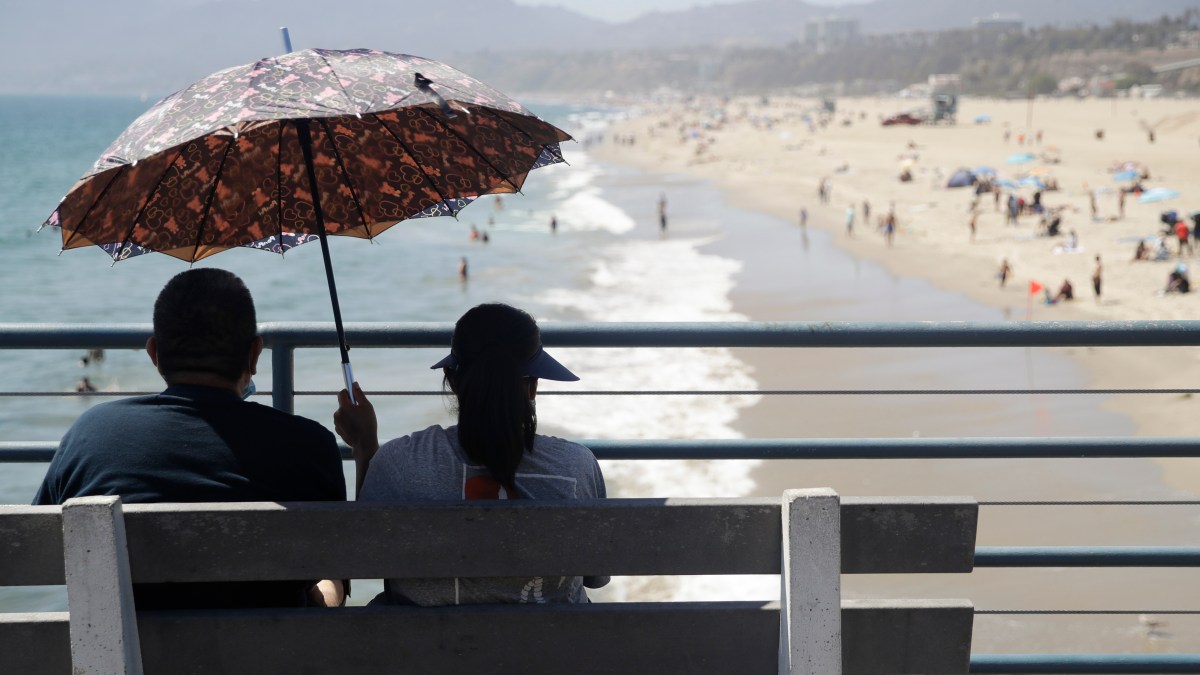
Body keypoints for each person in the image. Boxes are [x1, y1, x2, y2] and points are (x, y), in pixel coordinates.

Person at [34, 268, 346, 609]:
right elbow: (338, 571)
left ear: (154, 353)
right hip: (274, 645)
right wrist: (365, 448)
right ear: (255, 354)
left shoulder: (90, 434)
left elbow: (38, 549)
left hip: (128, 645)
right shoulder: (310, 445)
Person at [334, 303, 608, 607]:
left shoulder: (399, 462)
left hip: (425, 640)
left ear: (452, 380)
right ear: (533, 386)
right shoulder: (577, 466)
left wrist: (365, 448)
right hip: (557, 639)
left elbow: (365, 558)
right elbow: (595, 576)